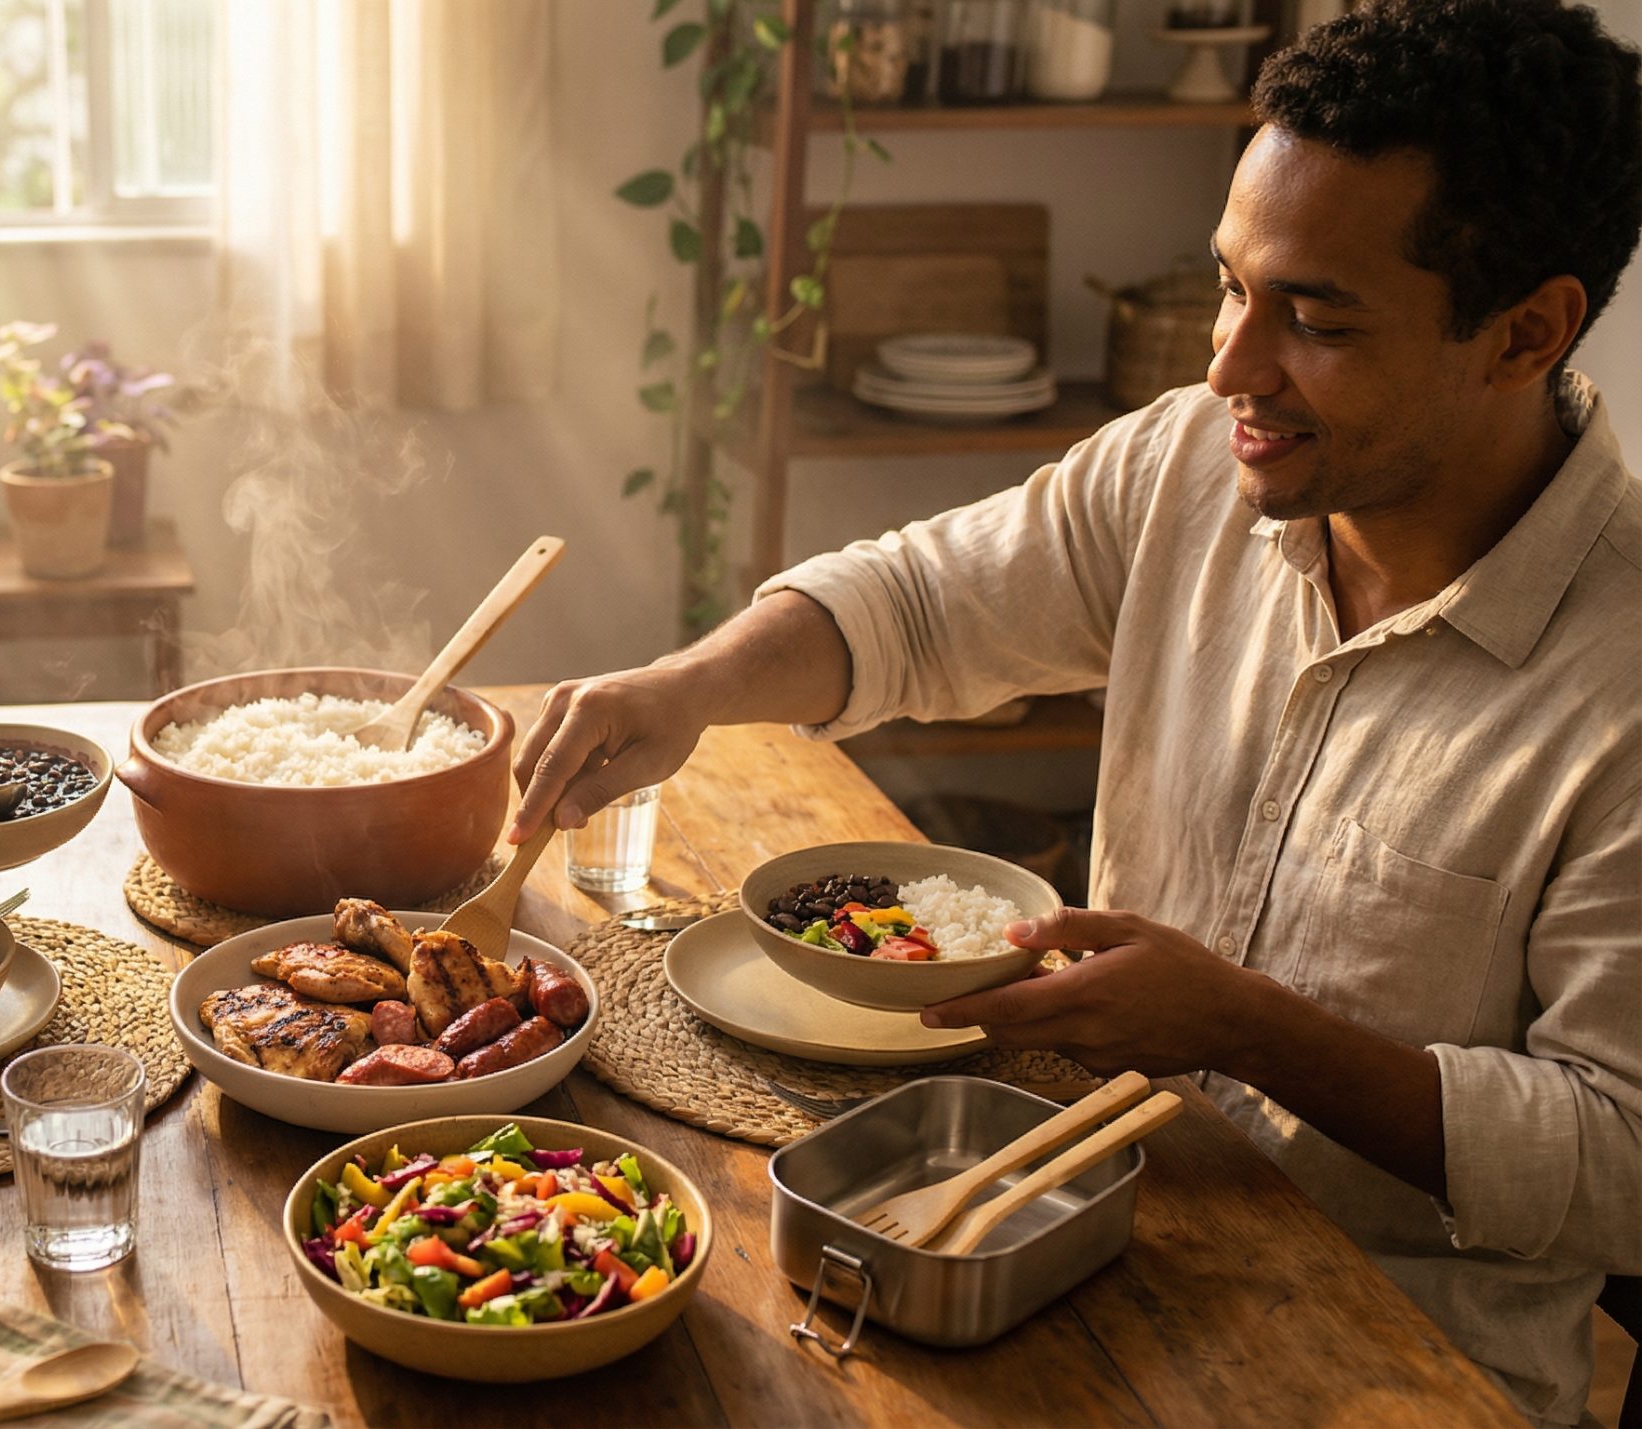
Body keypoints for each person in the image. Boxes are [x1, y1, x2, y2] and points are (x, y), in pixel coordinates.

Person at [514, 2, 1641, 1423]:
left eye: (1318, 316)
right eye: (1231, 284)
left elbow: (1624, 1157)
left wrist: (1246, 1025)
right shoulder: (1190, 464)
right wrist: (690, 687)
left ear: (1527, 331)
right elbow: (922, 601)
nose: (1231, 363)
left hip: (1393, 1360)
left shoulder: (1623, 674)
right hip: (1071, 1235)